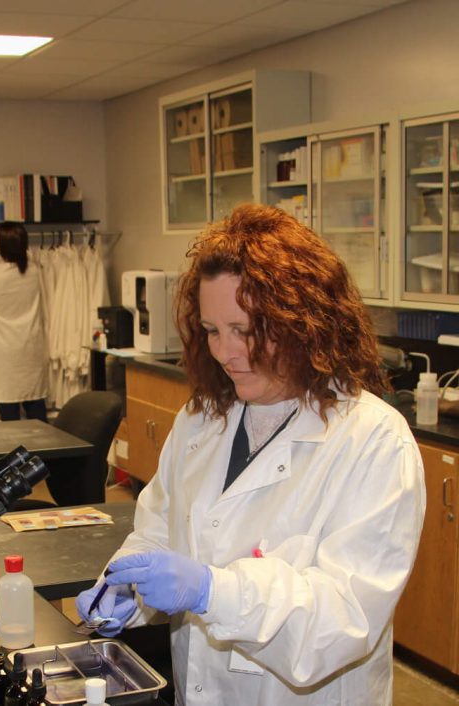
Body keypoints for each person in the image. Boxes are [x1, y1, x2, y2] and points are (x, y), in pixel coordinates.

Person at [76, 204, 425, 705]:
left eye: (244, 330)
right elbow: (157, 530)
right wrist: (126, 584)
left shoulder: (372, 441)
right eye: (212, 330)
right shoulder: (203, 419)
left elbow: (343, 621)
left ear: (304, 321)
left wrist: (212, 592)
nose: (224, 351)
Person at [0, 221, 49, 422]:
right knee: (36, 407)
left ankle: (16, 453)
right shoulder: (34, 270)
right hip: (30, 348)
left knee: (9, 412)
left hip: (4, 352)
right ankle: (47, 451)